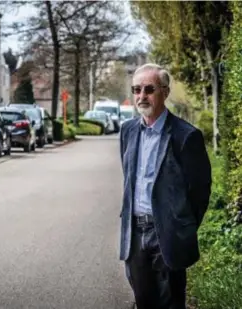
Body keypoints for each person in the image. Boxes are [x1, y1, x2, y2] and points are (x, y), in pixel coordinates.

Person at [119, 63, 212, 309]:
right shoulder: (127, 131)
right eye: (137, 89)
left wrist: (181, 224)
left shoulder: (186, 136)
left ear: (165, 92)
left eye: (149, 89)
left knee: (171, 303)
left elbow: (200, 191)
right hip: (135, 235)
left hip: (168, 235)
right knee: (143, 302)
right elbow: (129, 180)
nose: (141, 96)